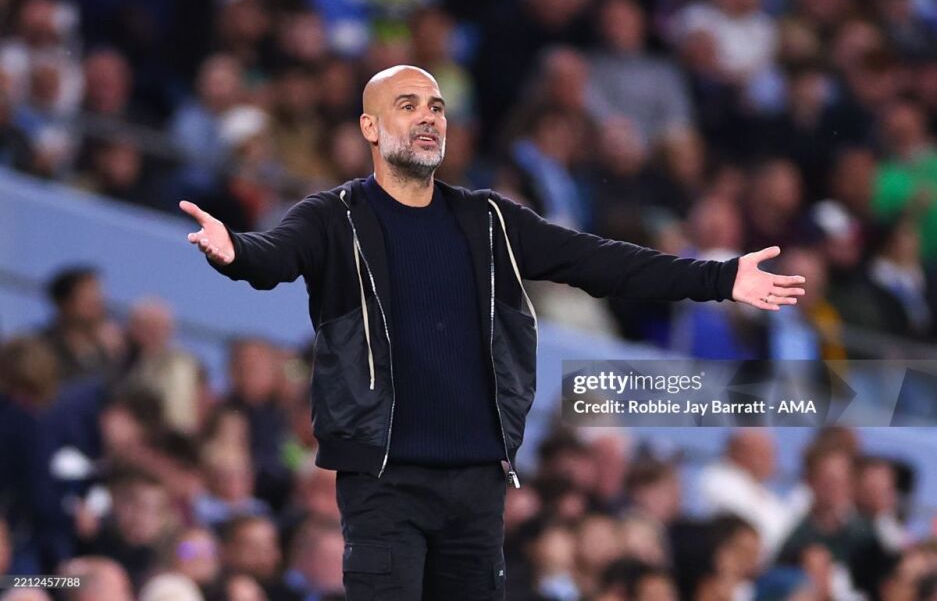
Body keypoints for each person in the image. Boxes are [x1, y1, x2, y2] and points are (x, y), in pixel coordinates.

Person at [180, 65, 806, 600]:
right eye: (408, 106)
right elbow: (274, 256)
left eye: (436, 107)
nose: (428, 118)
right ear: (370, 127)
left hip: (478, 484)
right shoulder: (332, 217)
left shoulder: (490, 221)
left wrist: (720, 278)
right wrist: (234, 249)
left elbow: (600, 262)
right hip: (383, 483)